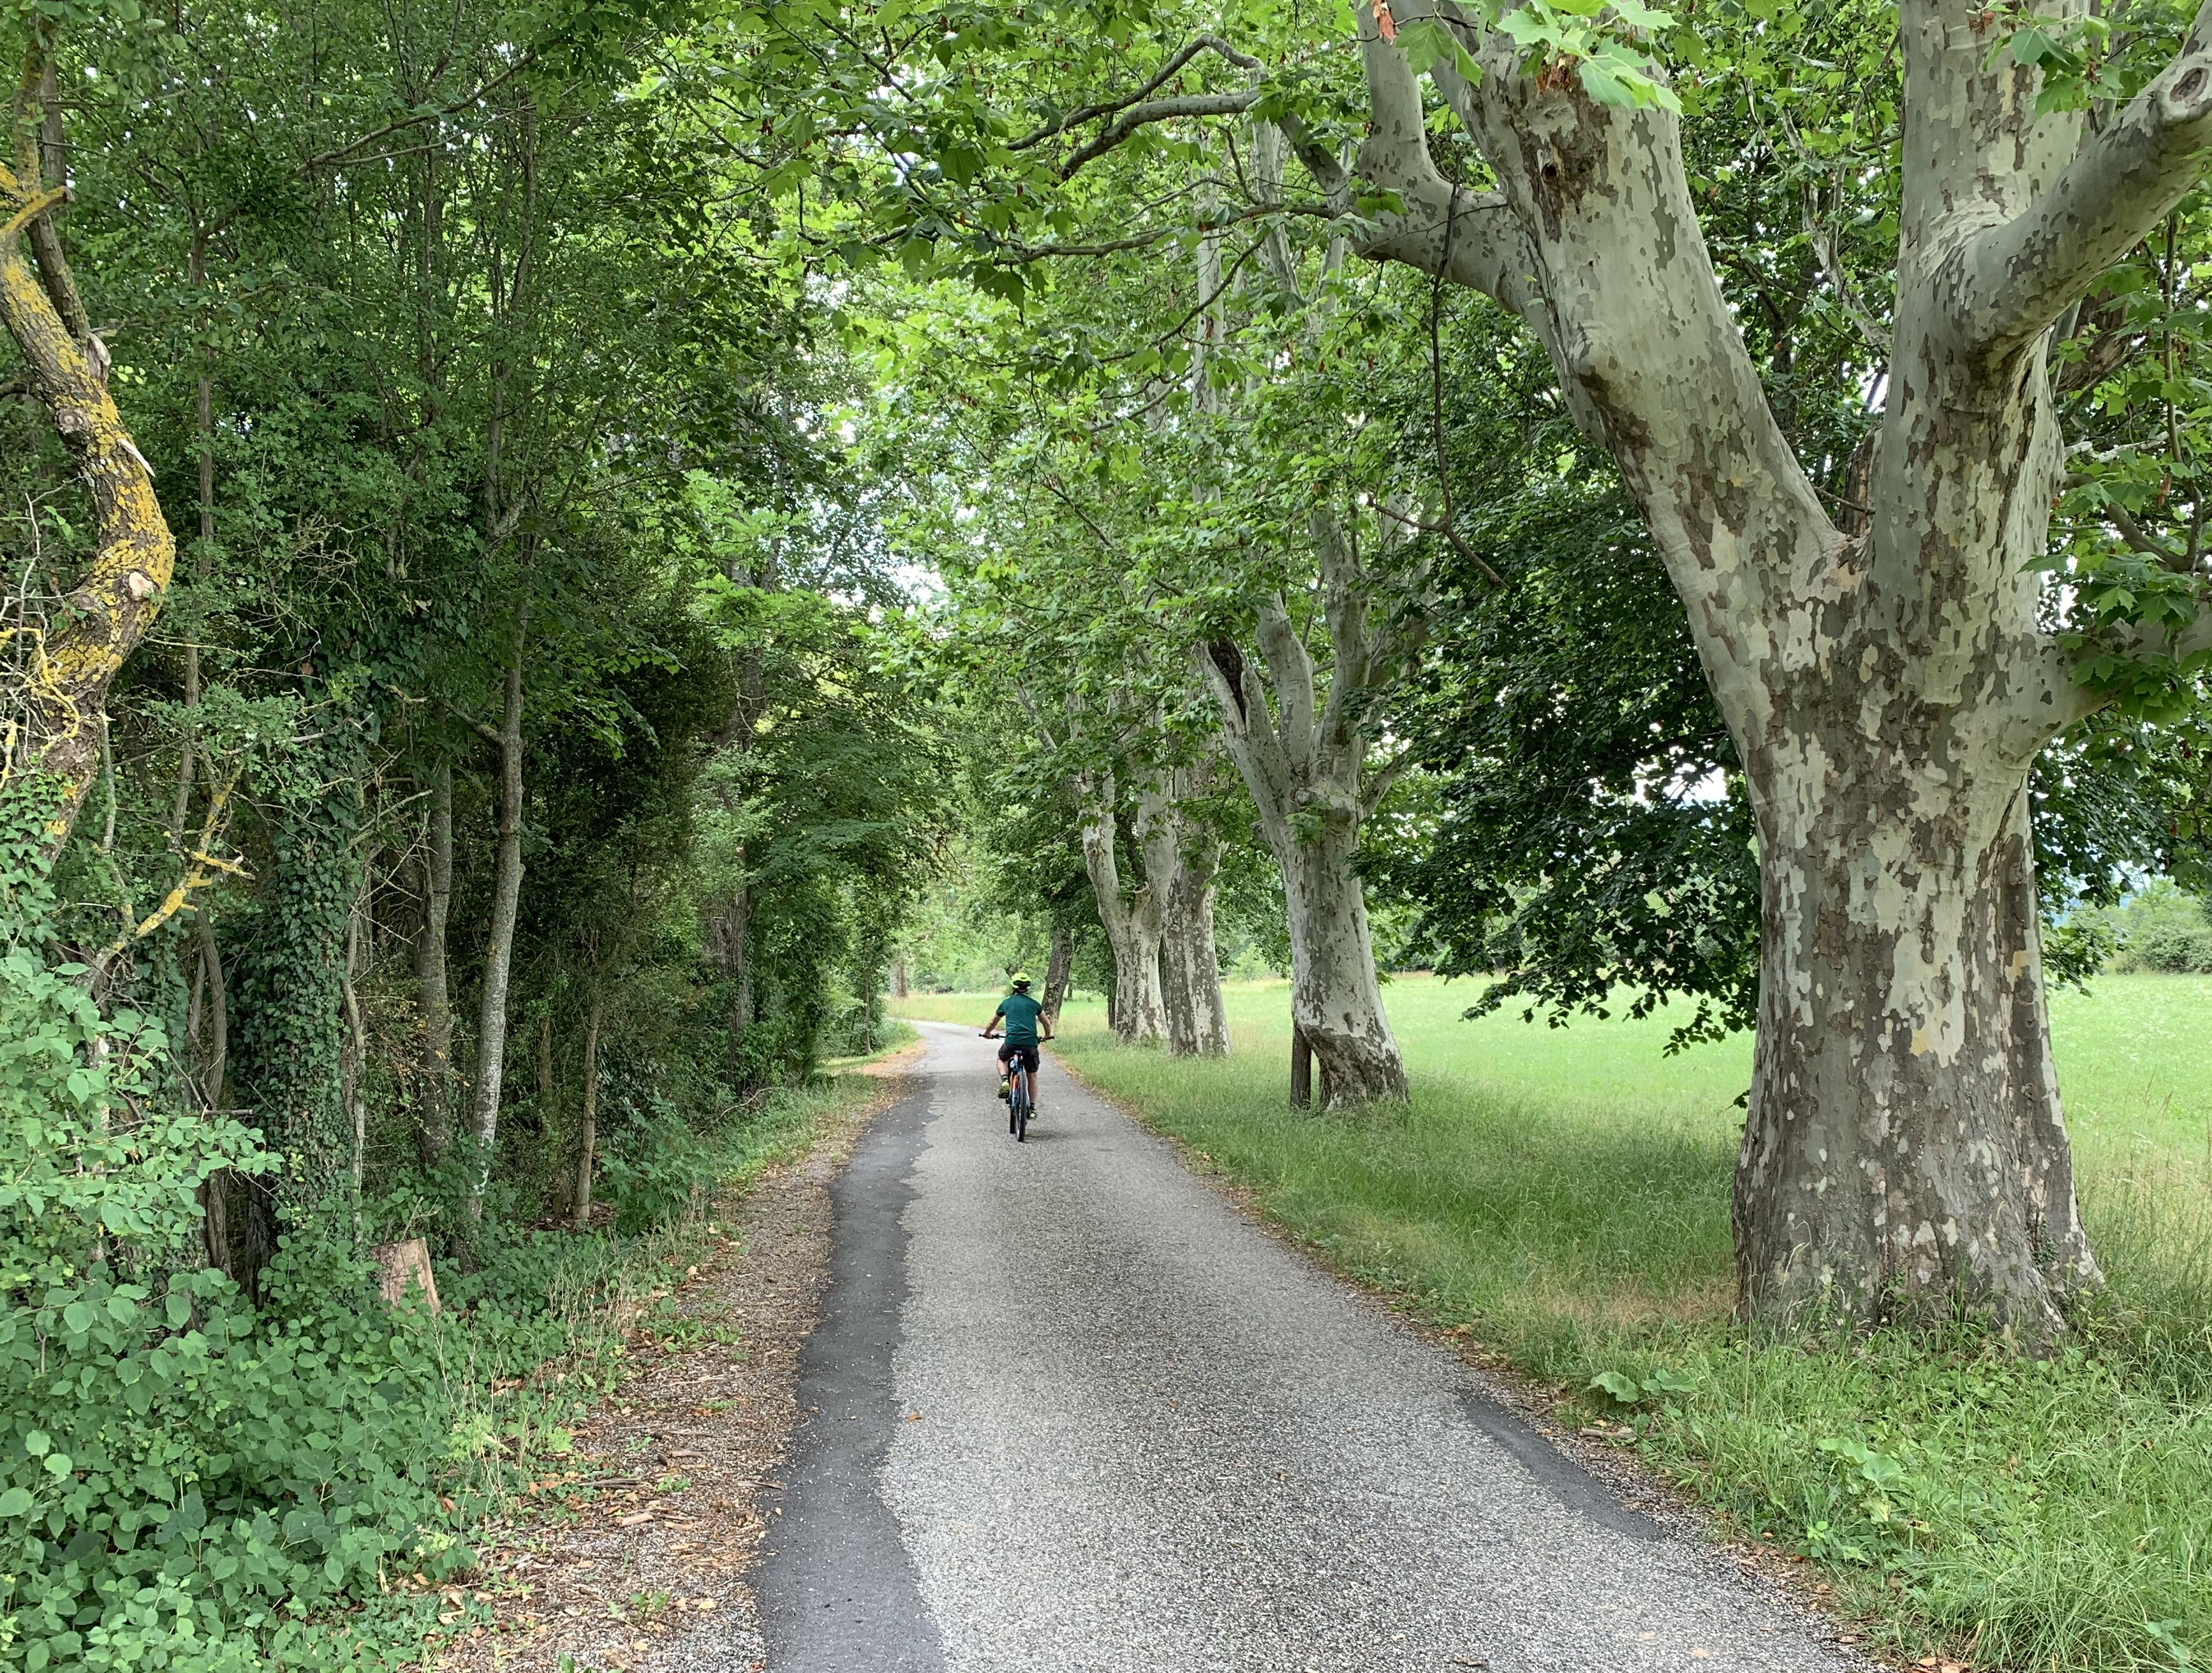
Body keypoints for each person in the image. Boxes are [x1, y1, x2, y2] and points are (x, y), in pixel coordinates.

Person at [981, 972, 1052, 1116]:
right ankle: (1031, 1109)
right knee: (1032, 1075)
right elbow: (1046, 1022)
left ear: (1013, 987)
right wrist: (1047, 1035)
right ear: (1028, 988)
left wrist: (987, 1033)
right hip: (1031, 1044)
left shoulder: (1007, 1003)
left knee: (1002, 1059)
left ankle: (1006, 1080)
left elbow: (992, 1022)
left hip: (1012, 1042)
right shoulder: (1034, 1004)